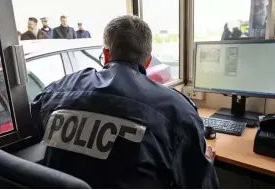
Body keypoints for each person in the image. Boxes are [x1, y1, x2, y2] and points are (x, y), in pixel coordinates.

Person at [31, 15, 219, 188]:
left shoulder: (57, 90)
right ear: (147, 61)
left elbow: (36, 125)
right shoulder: (177, 110)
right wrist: (205, 162)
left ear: (106, 54)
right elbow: (199, 183)